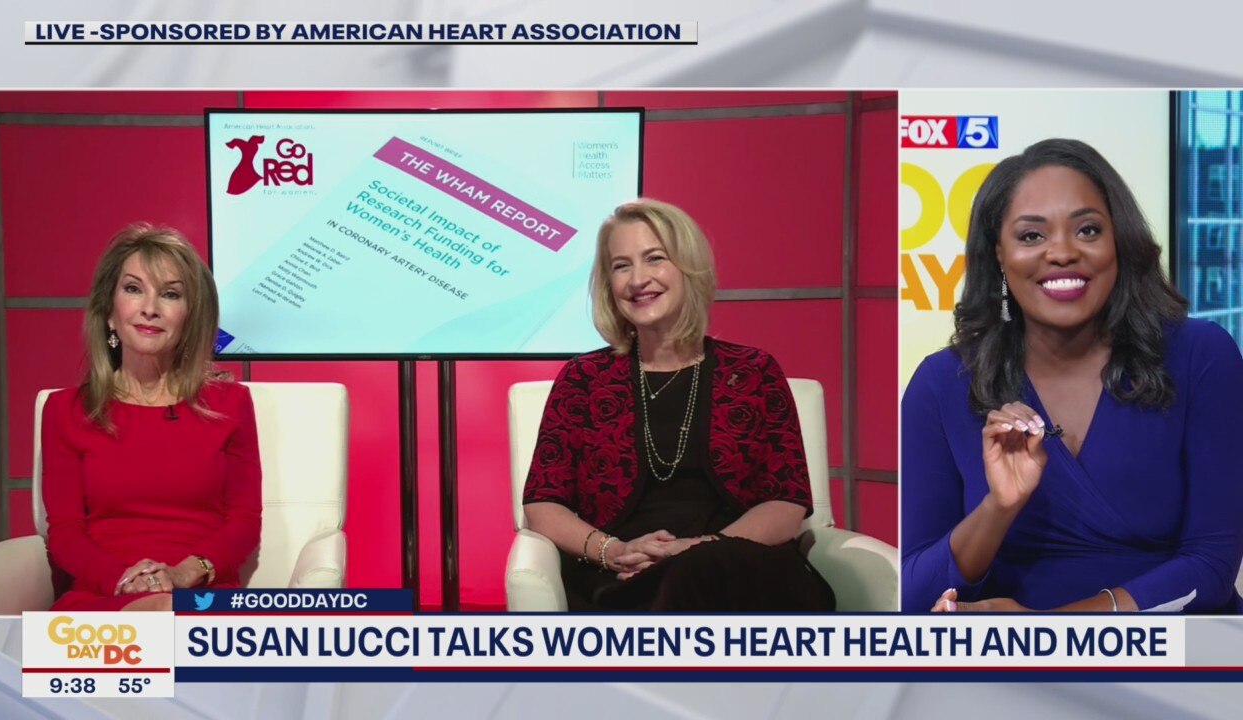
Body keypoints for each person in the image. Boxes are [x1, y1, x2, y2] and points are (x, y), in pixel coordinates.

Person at [901, 139, 1243, 613]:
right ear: (998, 253)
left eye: (1087, 230)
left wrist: (1053, 631)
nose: (1062, 252)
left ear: (1119, 242)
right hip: (1003, 654)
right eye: (1031, 236)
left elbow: (1212, 567)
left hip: (1172, 646)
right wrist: (998, 508)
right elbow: (915, 597)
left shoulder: (1201, 355)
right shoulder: (941, 383)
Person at [521, 199, 835, 611]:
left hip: (741, 569)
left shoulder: (754, 372)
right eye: (621, 266)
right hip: (623, 575)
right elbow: (543, 502)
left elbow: (786, 502)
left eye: (655, 258)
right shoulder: (583, 379)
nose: (638, 279)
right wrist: (614, 551)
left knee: (706, 571)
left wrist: (698, 549)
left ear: (690, 267)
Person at [42, 225, 262, 611]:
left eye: (170, 294)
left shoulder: (230, 404)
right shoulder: (66, 410)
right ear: (110, 312)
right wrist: (125, 581)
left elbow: (244, 521)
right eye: (133, 289)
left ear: (190, 317)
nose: (150, 308)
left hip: (201, 596)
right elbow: (65, 532)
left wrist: (183, 575)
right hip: (104, 597)